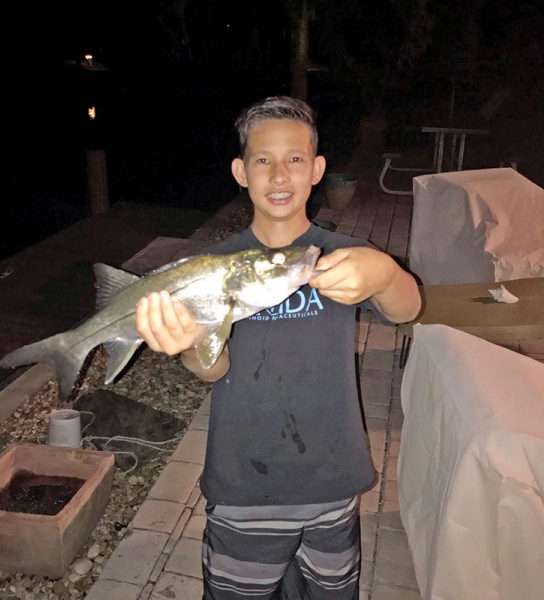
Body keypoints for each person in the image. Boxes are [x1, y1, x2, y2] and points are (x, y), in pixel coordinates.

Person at [135, 96, 421, 599]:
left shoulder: (342, 254)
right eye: (263, 161)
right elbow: (211, 368)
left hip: (333, 482)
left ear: (317, 169)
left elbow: (408, 309)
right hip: (246, 488)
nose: (280, 174)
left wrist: (386, 273)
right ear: (241, 172)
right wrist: (192, 343)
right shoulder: (211, 265)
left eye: (294, 159)